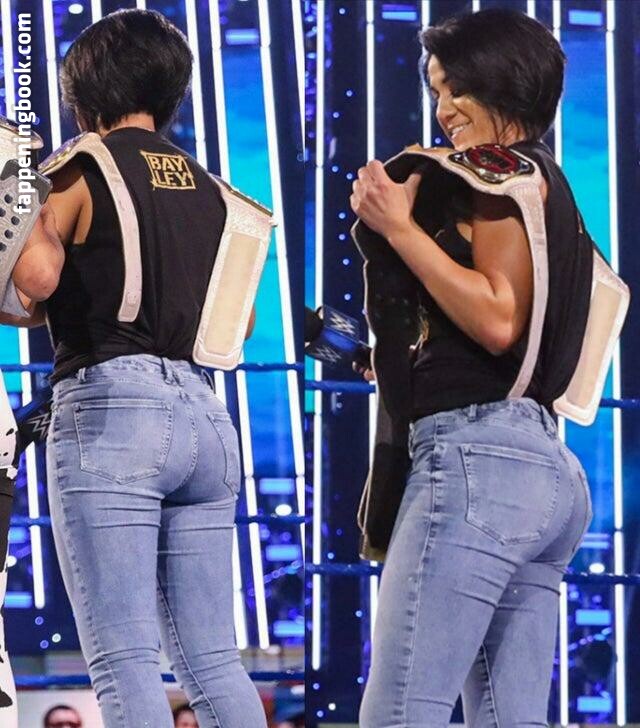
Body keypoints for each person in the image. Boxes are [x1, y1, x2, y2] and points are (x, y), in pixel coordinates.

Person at [7, 9, 266, 728]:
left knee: (124, 661)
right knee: (213, 663)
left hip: (112, 416)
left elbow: (35, 279)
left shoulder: (80, 167)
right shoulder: (215, 191)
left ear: (82, 92)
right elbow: (237, 324)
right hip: (206, 420)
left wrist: (14, 188)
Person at [350, 9, 594, 727]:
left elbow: (497, 319)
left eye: (456, 87)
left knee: (399, 714)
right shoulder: (559, 194)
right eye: (437, 90)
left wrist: (398, 228)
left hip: (478, 466)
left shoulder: (497, 173)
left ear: (503, 82)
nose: (444, 109)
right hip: (548, 471)